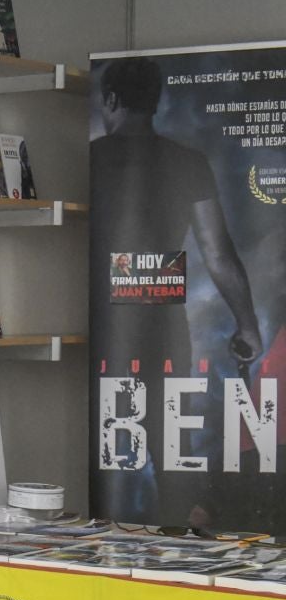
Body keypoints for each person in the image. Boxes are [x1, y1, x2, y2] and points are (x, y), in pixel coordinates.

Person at [91, 56, 262, 526]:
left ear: (111, 100)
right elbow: (218, 254)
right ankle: (178, 554)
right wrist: (247, 325)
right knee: (172, 447)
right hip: (161, 321)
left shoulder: (93, 159)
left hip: (98, 323)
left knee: (97, 437)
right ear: (156, 101)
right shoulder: (187, 162)